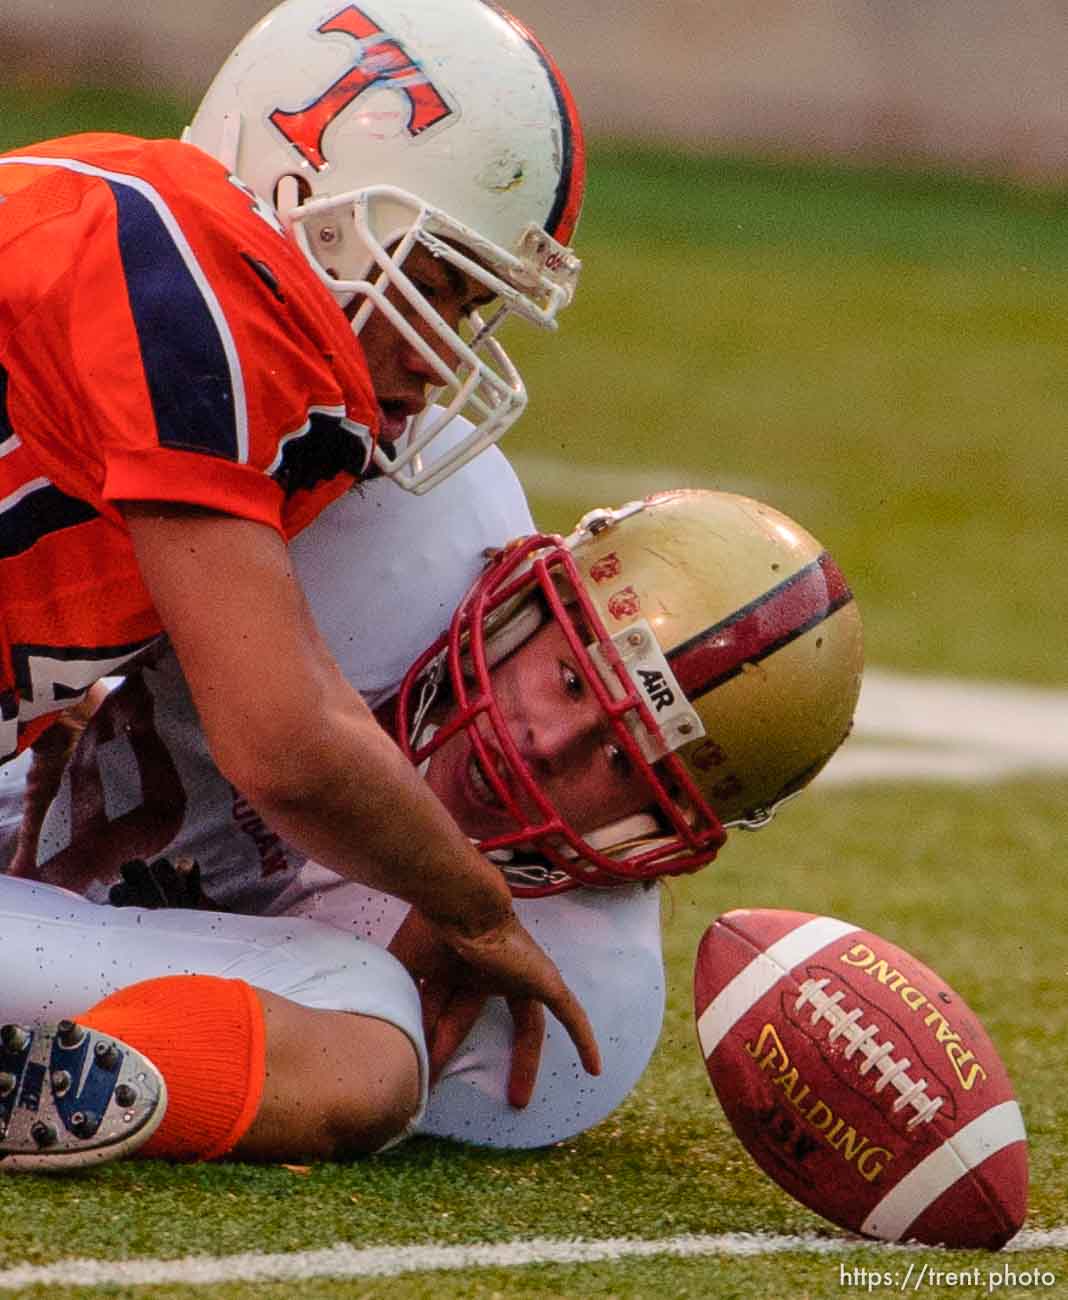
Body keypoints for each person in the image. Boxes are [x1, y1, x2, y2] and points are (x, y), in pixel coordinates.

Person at [0, 0, 597, 1088]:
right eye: (432, 282)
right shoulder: (207, 293)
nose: (436, 358)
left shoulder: (107, 196)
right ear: (308, 198)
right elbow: (284, 742)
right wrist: (480, 908)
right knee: (361, 1036)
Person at [1, 467, 863, 1167]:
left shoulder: (580, 987)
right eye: (569, 678)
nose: (548, 744)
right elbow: (288, 751)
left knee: (371, 1032)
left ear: (665, 840)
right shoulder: (390, 532)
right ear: (522, 596)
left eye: (621, 764)